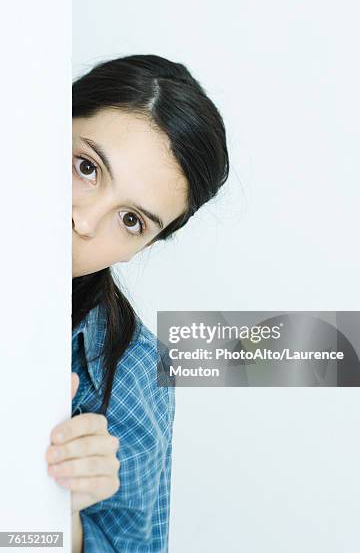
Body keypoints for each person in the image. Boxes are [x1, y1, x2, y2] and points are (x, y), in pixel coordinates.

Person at [44, 54, 230, 552]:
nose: (84, 221)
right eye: (86, 167)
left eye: (131, 221)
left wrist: (60, 516)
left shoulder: (131, 374)